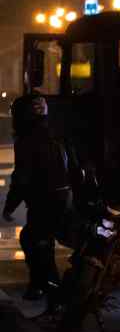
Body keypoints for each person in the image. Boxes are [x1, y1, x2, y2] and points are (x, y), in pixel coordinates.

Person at [2, 93, 73, 302]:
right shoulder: (56, 133)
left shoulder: (27, 140)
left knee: (33, 239)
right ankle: (43, 285)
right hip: (63, 196)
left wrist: (10, 206)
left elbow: (22, 177)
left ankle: (47, 286)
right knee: (42, 240)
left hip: (44, 199)